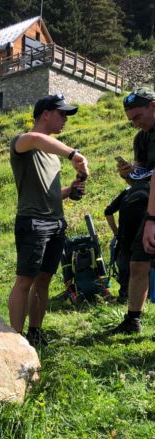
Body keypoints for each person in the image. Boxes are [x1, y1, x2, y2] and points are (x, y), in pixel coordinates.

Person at [8, 93, 89, 346]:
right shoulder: (23, 143)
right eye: (61, 114)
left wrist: (70, 190)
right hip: (33, 223)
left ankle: (35, 333)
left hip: (55, 223)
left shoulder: (52, 156)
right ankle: (14, 342)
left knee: (43, 281)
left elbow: (50, 193)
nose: (65, 119)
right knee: (25, 281)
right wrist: (74, 154)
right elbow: (35, 138)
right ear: (45, 114)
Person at [108, 88, 155, 334]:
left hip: (153, 214)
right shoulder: (141, 139)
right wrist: (128, 175)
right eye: (131, 120)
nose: (135, 124)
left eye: (137, 117)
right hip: (148, 209)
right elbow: (141, 180)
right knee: (138, 262)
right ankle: (132, 320)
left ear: (153, 105)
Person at [104, 182, 149, 302]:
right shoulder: (150, 191)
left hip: (125, 240)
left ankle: (124, 296)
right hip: (144, 240)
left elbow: (108, 211)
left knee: (125, 272)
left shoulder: (128, 191)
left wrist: (116, 233)